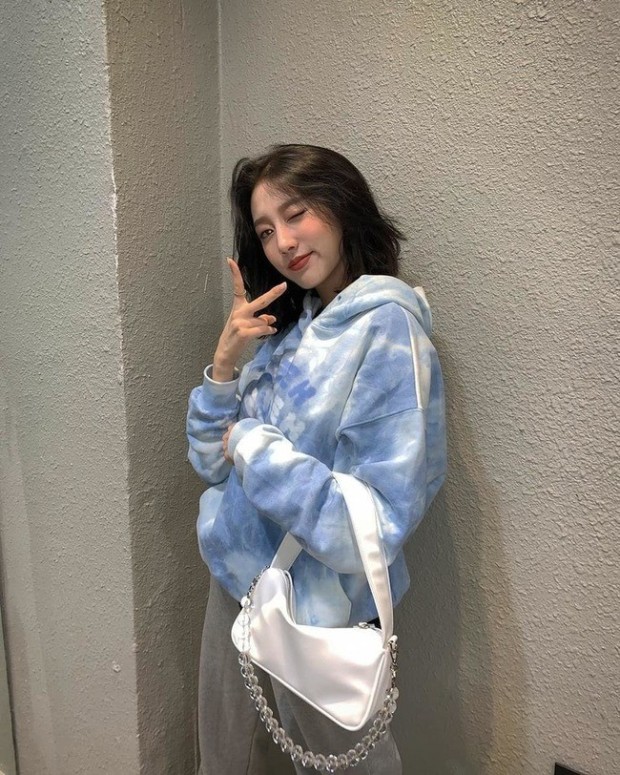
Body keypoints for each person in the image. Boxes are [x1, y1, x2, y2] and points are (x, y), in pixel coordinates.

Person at [186, 144, 447, 774]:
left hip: (323, 611)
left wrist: (254, 446)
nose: (282, 242)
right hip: (237, 579)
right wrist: (224, 366)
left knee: (344, 765)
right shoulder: (292, 329)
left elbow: (375, 525)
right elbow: (211, 465)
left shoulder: (389, 331)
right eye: (265, 230)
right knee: (223, 758)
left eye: (296, 213)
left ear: (340, 203)